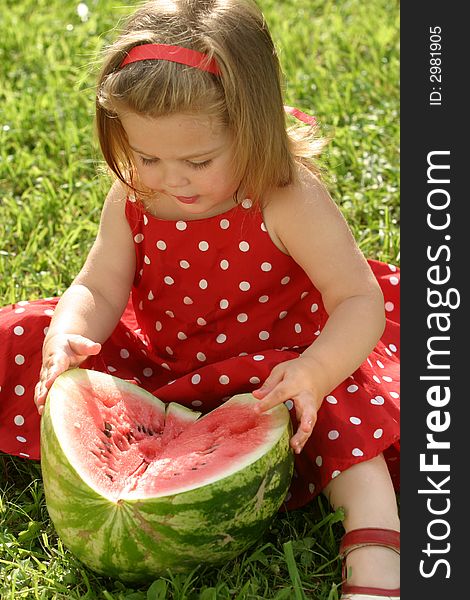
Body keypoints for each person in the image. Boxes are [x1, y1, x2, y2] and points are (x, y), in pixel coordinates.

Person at [0, 1, 400, 598]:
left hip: (279, 366)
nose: (170, 180)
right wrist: (69, 332)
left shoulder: (285, 197)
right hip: (166, 357)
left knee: (346, 415)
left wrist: (314, 371)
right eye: (147, 156)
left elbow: (356, 301)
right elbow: (99, 285)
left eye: (197, 161)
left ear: (255, 126)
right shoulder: (135, 192)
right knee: (23, 332)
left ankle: (376, 548)